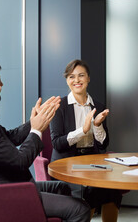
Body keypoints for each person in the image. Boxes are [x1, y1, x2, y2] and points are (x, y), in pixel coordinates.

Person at [0, 59, 90, 222]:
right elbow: (20, 161)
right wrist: (36, 130)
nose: (2, 85)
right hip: (1, 196)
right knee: (81, 209)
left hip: (6, 185)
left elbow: (10, 137)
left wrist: (34, 121)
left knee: (61, 187)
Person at [50, 59, 122, 222]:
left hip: (92, 160)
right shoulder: (59, 106)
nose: (77, 80)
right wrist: (82, 131)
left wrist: (97, 125)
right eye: (71, 76)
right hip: (66, 163)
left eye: (81, 76)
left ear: (88, 78)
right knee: (88, 190)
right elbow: (57, 143)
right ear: (67, 80)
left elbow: (104, 144)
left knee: (113, 190)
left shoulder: (98, 105)